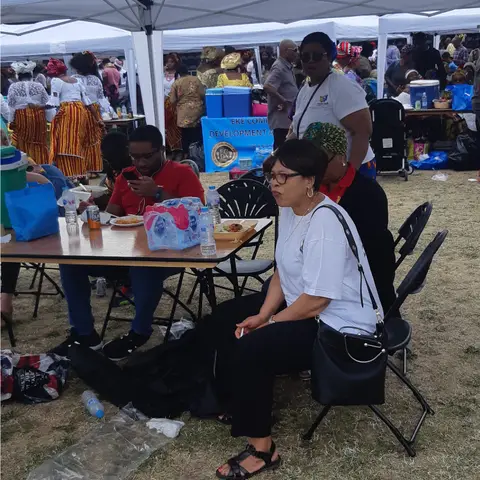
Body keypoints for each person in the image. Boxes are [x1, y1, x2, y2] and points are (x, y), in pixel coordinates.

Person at [212, 139, 382, 479]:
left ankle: (263, 449)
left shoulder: (325, 223)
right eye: (271, 175)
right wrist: (263, 313)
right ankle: (236, 399)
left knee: (252, 347)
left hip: (340, 328)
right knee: (223, 320)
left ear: (309, 181)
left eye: (283, 177)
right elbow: (282, 269)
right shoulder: (290, 209)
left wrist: (270, 322)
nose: (274, 184)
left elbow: (317, 301)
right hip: (309, 309)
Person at [53, 125, 205, 360]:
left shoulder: (182, 174)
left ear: (162, 150)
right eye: (135, 157)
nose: (141, 163)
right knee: (71, 262)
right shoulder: (126, 176)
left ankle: (139, 331)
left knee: (144, 265)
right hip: (124, 250)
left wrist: (157, 193)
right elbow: (113, 216)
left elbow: (198, 211)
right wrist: (92, 210)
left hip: (168, 251)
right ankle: (84, 334)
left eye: (147, 156)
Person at [303, 122, 396, 312]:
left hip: (351, 292)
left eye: (320, 163)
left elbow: (374, 259)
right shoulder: (310, 188)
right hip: (315, 275)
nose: (313, 170)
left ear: (341, 157)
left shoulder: (368, 194)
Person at [289, 32, 376, 178]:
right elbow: (298, 130)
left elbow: (363, 132)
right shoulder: (305, 89)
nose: (310, 61)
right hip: (325, 172)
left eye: (316, 56)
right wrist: (278, 154)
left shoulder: (341, 86)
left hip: (353, 169)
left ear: (329, 57)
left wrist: (350, 174)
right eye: (305, 56)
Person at [46, 58, 95, 178]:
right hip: (81, 111)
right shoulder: (77, 81)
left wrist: (39, 108)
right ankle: (80, 173)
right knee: (77, 142)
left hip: (67, 112)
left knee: (64, 142)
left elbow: (54, 102)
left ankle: (68, 173)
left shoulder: (56, 81)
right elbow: (87, 102)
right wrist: (97, 119)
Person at [71, 51, 109, 175]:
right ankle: (94, 169)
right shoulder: (96, 79)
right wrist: (105, 113)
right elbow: (101, 98)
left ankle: (82, 169)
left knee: (80, 140)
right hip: (94, 112)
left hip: (79, 112)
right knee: (94, 141)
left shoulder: (73, 80)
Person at [7, 61, 50, 164]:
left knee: (23, 142)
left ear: (18, 76)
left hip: (21, 118)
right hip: (38, 116)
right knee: (39, 142)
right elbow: (46, 103)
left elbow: (11, 107)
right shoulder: (38, 86)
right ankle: (42, 165)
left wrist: (10, 121)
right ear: (31, 75)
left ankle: (27, 166)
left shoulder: (13, 86)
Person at [263, 39, 299, 149]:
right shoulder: (279, 67)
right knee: (281, 149)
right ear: (285, 51)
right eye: (294, 50)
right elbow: (268, 86)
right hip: (282, 119)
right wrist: (282, 100)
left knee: (287, 149)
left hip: (287, 118)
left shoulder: (287, 66)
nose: (296, 53)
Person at [169, 64, 205, 157]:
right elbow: (203, 94)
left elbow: (172, 100)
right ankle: (198, 152)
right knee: (197, 132)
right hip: (197, 110)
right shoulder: (196, 79)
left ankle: (186, 153)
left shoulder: (176, 83)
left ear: (179, 73)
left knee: (185, 134)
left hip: (183, 112)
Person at [164, 53, 182, 152]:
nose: (169, 64)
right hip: (165, 103)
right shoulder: (162, 73)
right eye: (168, 61)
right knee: (168, 125)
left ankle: (177, 148)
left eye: (171, 62)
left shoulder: (177, 74)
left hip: (175, 103)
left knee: (175, 126)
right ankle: (170, 148)